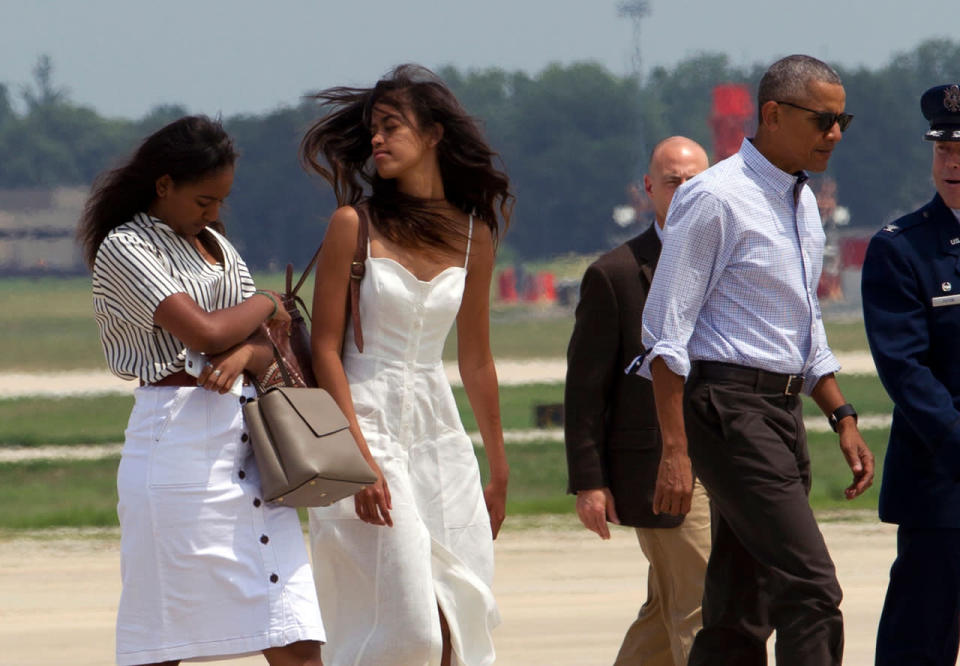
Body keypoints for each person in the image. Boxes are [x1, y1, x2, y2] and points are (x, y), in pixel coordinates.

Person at [638, 55, 875, 665]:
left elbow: (800, 326)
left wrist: (841, 414)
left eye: (841, 118)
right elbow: (666, 335)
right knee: (812, 589)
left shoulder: (802, 204)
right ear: (772, 115)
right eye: (824, 119)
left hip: (782, 410)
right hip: (729, 409)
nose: (837, 134)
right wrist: (673, 449)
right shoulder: (715, 198)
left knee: (742, 603)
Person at [78, 116, 325, 665]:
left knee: (296, 631)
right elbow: (207, 331)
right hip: (175, 448)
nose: (214, 214)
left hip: (248, 446)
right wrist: (266, 302)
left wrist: (245, 352)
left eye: (221, 202)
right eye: (204, 200)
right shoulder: (125, 247)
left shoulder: (215, 245)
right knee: (162, 638)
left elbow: (267, 346)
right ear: (163, 185)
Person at [301, 65, 512, 666]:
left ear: (435, 134)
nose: (377, 140)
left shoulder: (475, 237)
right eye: (372, 130)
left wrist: (496, 466)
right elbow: (324, 350)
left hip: (440, 437)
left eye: (391, 127)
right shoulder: (354, 225)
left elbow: (476, 358)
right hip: (362, 422)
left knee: (457, 623)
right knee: (408, 629)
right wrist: (358, 458)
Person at [564, 136, 711, 666]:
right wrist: (589, 481)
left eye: (697, 180)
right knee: (703, 610)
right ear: (649, 189)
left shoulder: (732, 261)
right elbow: (585, 391)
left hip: (732, 457)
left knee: (666, 607)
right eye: (673, 181)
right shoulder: (616, 274)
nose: (687, 191)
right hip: (661, 470)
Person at [863, 84, 960, 666]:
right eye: (944, 150)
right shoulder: (901, 249)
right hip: (942, 486)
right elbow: (905, 369)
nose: (953, 163)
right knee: (918, 645)